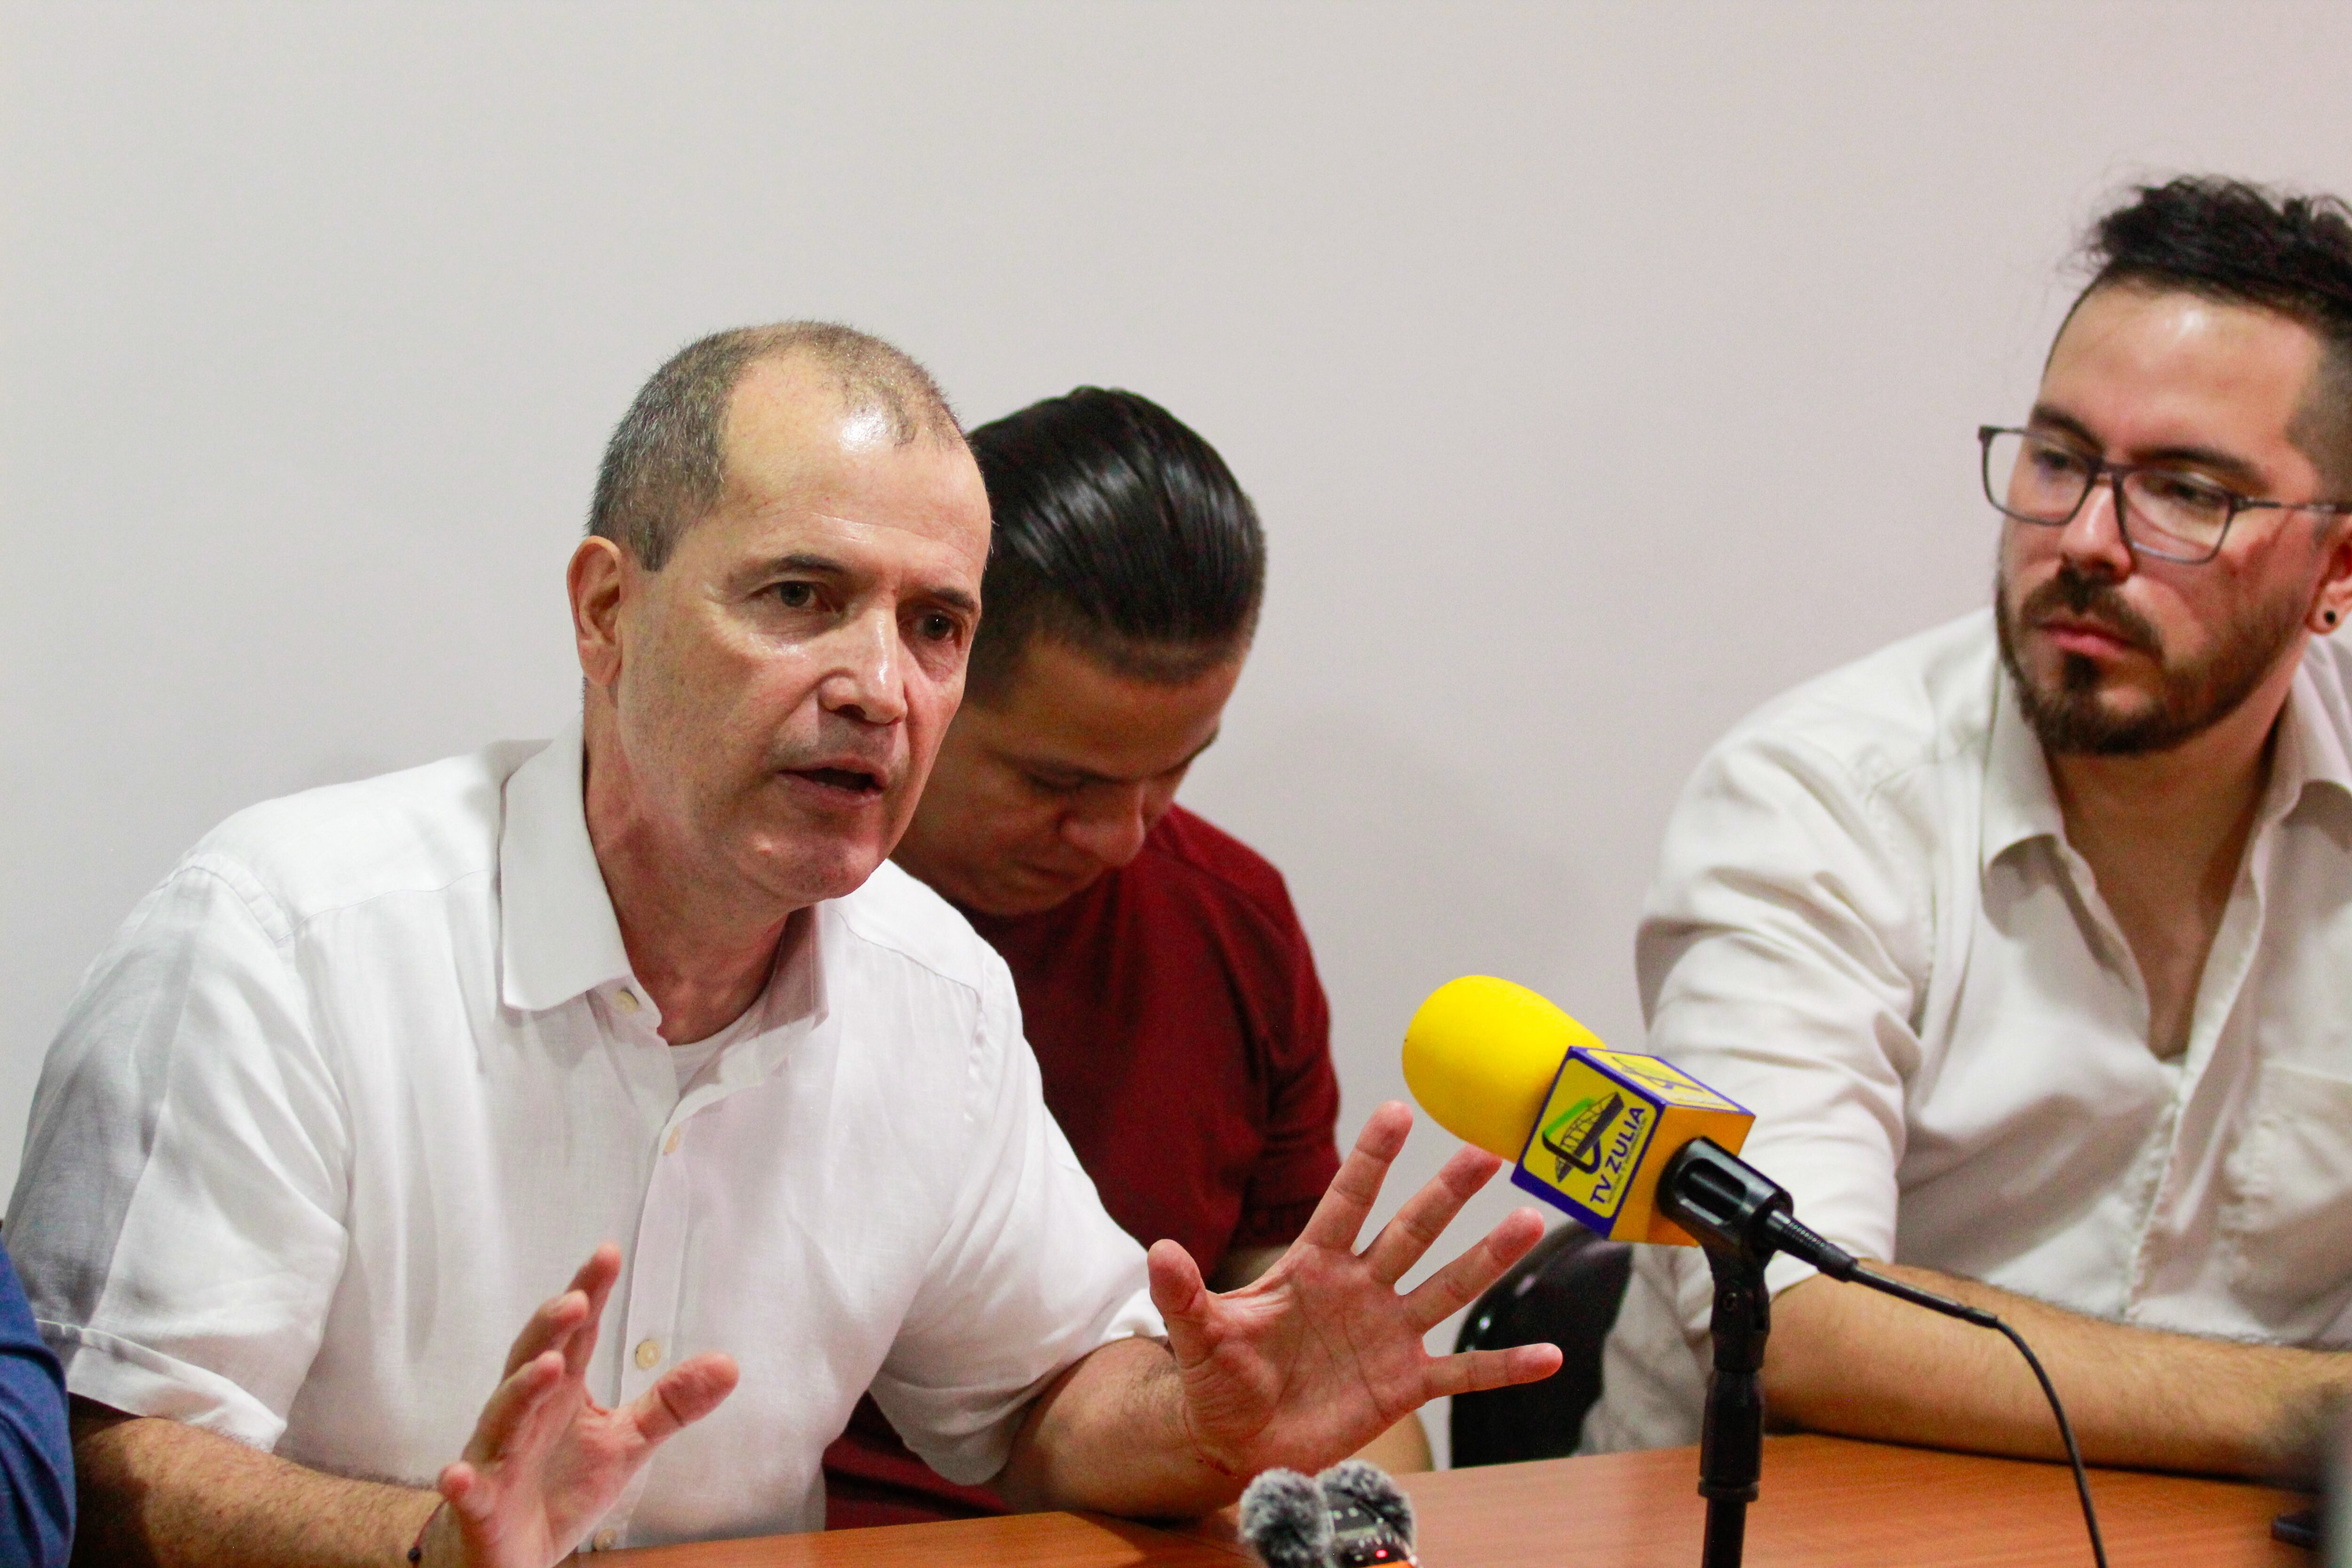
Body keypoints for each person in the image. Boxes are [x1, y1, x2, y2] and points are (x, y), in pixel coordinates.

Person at [8, 324, 1559, 1565]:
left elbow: (1040, 1401)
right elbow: (102, 1470)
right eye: (803, 595)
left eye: (934, 626)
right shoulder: (285, 938)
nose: (881, 685)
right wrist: (428, 1546)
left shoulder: (931, 986)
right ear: (608, 610)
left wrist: (1219, 1419)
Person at [1584, 178, 2352, 1478]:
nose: (2089, 540)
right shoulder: (1817, 798)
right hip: (1792, 1529)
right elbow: (1794, 1320)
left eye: (2187, 490)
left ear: (2339, 568)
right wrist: (2316, 1414)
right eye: (2059, 461)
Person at [824, 388, 1421, 1527]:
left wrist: (1374, 1524)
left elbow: (1306, 1334)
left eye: (1177, 769)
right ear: (925, 675)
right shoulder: (763, 928)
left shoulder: (1229, 913)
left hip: (1157, 1524)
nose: (1123, 837)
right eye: (1060, 783)